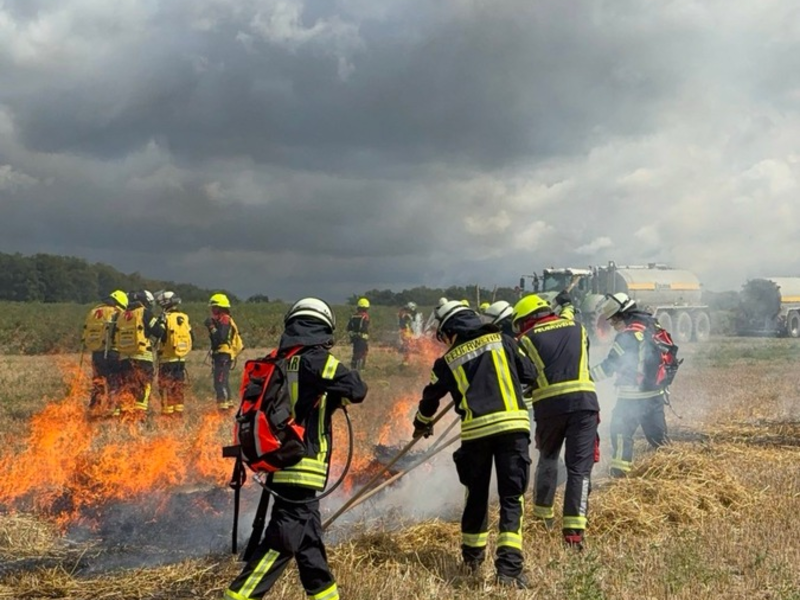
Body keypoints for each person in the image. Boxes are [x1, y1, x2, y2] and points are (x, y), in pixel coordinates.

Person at [223, 297, 368, 600]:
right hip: (302, 467)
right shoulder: (315, 360)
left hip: (278, 462)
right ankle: (239, 596)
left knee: (309, 545)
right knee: (280, 543)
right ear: (324, 328)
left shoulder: (275, 359)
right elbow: (357, 389)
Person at [412, 300, 536, 589]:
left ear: (451, 329)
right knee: (511, 497)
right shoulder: (504, 341)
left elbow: (429, 398)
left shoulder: (447, 360)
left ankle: (472, 560)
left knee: (476, 496)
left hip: (476, 434)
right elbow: (529, 374)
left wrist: (422, 424)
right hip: (513, 428)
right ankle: (509, 570)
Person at [511, 291, 600, 549]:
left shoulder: (525, 340)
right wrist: (568, 304)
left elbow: (525, 377)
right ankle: (574, 535)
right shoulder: (577, 327)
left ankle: (542, 517)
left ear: (526, 319)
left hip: (549, 409)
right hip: (584, 406)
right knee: (579, 470)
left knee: (548, 460)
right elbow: (569, 315)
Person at [590, 292, 669, 477]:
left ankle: (619, 475)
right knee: (658, 438)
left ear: (621, 315)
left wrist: (585, 377)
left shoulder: (627, 335)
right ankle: (669, 470)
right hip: (656, 393)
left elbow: (610, 366)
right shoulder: (652, 324)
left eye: (613, 321)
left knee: (620, 431)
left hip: (632, 396)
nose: (613, 325)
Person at [81, 290, 128, 416]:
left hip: (96, 353)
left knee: (98, 382)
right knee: (115, 382)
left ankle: (93, 409)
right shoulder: (117, 312)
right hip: (112, 352)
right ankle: (111, 409)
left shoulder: (94, 312)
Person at [151, 290, 193, 416]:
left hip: (166, 359)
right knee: (178, 387)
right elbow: (192, 337)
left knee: (165, 387)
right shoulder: (184, 317)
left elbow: (160, 335)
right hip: (180, 359)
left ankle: (167, 415)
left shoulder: (165, 318)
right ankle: (178, 413)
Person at [116, 290, 158, 416]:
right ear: (144, 302)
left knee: (127, 388)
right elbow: (159, 332)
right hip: (142, 359)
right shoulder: (145, 313)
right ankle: (138, 419)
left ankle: (125, 417)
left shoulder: (122, 315)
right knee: (143, 388)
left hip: (125, 359)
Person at [205, 293, 243, 411]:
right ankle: (228, 407)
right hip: (221, 354)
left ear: (220, 307)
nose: (212, 309)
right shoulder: (223, 319)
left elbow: (221, 337)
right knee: (223, 381)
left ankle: (223, 410)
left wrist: (211, 326)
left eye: (214, 307)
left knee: (220, 382)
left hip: (224, 355)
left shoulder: (225, 319)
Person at [346, 297, 370, 370]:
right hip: (362, 338)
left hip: (354, 338)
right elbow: (365, 328)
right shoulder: (365, 317)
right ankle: (360, 369)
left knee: (355, 353)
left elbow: (348, 328)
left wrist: (353, 334)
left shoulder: (353, 316)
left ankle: (353, 368)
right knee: (362, 353)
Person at [397, 301, 418, 366]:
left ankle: (406, 360)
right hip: (405, 331)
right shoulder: (404, 314)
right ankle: (405, 361)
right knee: (407, 345)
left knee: (409, 345)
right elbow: (404, 319)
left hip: (406, 330)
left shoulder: (404, 312)